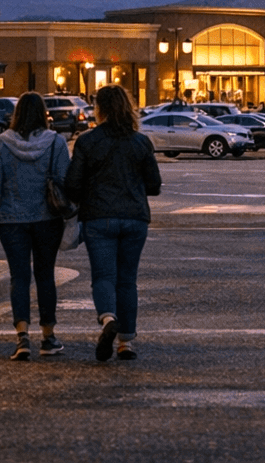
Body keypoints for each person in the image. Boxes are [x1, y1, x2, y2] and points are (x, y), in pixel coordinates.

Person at [65, 85, 161, 362]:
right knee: (128, 280)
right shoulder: (141, 142)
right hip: (134, 218)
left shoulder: (87, 141)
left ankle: (108, 318)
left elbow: (72, 184)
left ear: (100, 109)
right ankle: (126, 343)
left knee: (104, 276)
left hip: (98, 218)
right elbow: (154, 186)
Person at [0, 92, 70, 361]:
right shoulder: (56, 143)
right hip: (47, 219)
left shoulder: (2, 144)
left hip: (11, 220)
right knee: (45, 275)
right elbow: (65, 182)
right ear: (43, 113)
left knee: (19, 277)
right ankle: (48, 337)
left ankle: (22, 337)